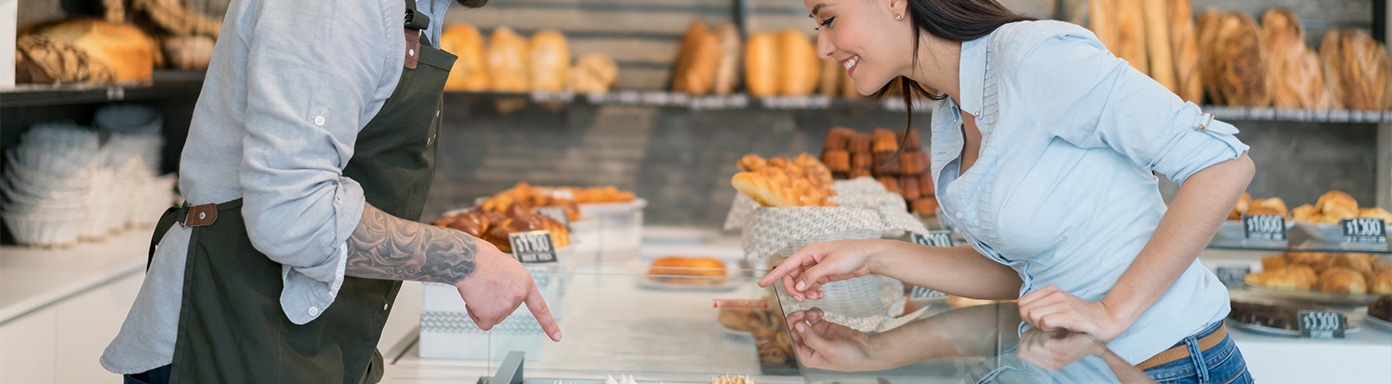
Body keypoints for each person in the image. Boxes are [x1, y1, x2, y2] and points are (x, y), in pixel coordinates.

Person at [760, 0, 1255, 382]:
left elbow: (1222, 165)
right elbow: (1025, 275)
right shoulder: (951, 116)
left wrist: (1111, 311)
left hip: (1167, 366)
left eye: (828, 19)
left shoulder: (1034, 57)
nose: (823, 46)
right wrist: (870, 258)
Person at [100, 0, 561, 382]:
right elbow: (292, 212)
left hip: (307, 340)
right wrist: (466, 261)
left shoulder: (411, 9)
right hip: (228, 337)